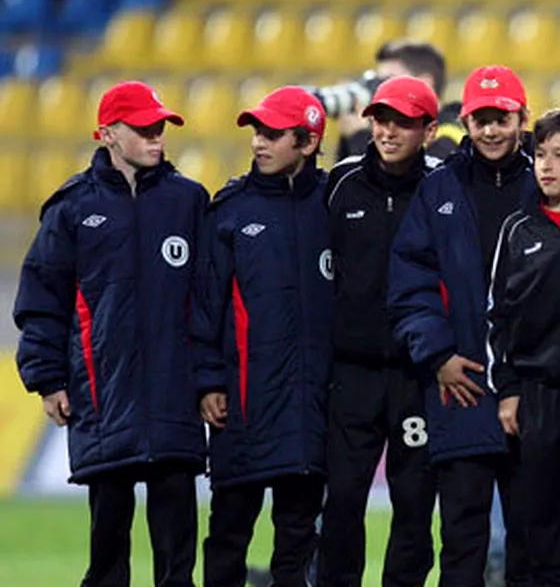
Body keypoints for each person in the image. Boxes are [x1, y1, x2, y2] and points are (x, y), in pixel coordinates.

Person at [14, 82, 204, 587]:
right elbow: (41, 300)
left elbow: (209, 303)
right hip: (103, 399)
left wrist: (211, 380)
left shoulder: (189, 201)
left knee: (178, 564)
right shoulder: (72, 208)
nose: (156, 136)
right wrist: (47, 379)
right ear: (108, 134)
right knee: (107, 561)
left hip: (175, 401)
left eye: (160, 126)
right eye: (144, 128)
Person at [388, 65, 538, 587]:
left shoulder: (549, 180)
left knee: (535, 541)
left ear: (523, 117)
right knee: (462, 539)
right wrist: (439, 357)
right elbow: (410, 282)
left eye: (501, 118)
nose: (491, 130)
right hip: (462, 385)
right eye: (481, 119)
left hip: (536, 385)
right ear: (466, 122)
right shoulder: (439, 189)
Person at [193, 86, 333, 587]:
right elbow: (205, 305)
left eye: (272, 134)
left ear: (308, 141)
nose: (258, 143)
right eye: (256, 131)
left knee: (297, 541)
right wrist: (209, 381)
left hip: (312, 409)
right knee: (228, 537)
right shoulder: (228, 212)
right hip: (243, 407)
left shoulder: (336, 206)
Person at [317, 76, 442, 587]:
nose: (388, 131)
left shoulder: (444, 185)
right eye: (381, 119)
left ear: (429, 130)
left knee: (414, 505)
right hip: (352, 372)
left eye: (403, 122)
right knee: (343, 499)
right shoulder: (340, 183)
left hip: (418, 374)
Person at [487, 107, 560, 587]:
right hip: (532, 394)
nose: (546, 166)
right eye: (539, 155)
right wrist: (508, 388)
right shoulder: (518, 229)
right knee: (530, 516)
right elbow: (498, 314)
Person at [310, 39, 449, 161]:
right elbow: (349, 186)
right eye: (378, 82)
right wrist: (349, 139)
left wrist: (359, 137)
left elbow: (406, 187)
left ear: (425, 82)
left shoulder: (451, 138)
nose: (381, 89)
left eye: (388, 80)